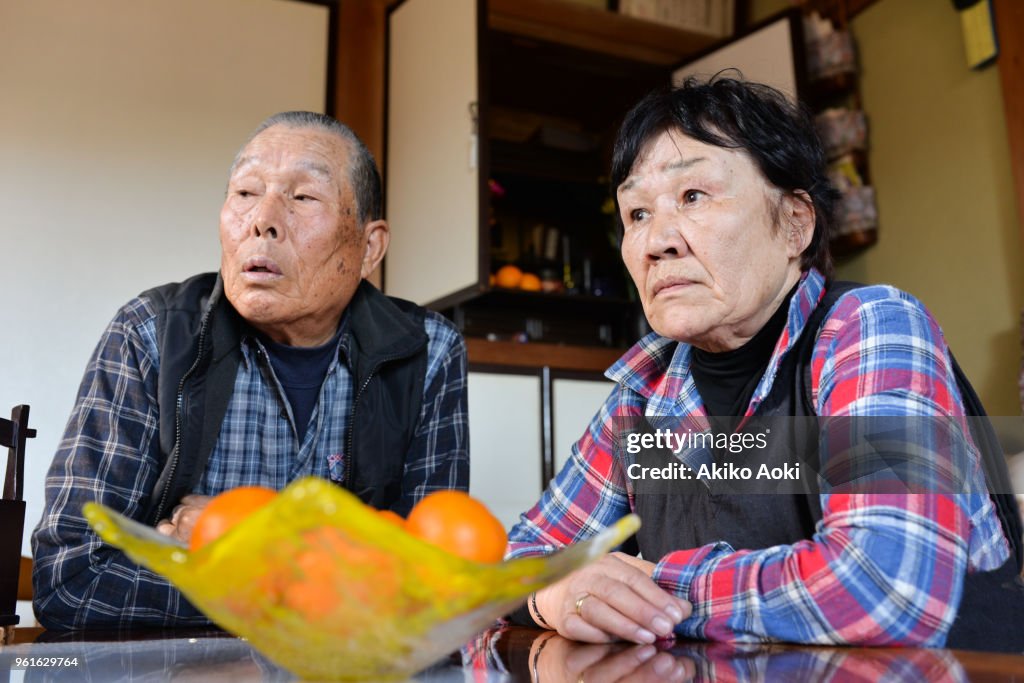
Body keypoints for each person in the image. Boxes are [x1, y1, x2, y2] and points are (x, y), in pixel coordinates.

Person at [507, 76, 1023, 650]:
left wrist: (654, 586)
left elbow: (885, 582)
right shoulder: (643, 393)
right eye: (635, 214)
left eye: (693, 196)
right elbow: (518, 561)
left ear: (795, 224)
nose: (656, 241)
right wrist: (551, 595)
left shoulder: (869, 327)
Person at [32, 111, 469, 630]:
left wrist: (245, 548)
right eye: (244, 193)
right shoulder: (151, 334)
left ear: (368, 247)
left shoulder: (427, 351)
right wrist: (318, 587)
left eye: (303, 197)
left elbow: (431, 584)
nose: (262, 219)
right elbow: (70, 577)